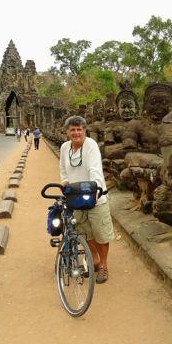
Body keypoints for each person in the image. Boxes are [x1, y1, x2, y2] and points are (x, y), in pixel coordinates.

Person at [59, 116, 114, 284]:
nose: (76, 133)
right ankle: (95, 260)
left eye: (79, 129)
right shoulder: (64, 147)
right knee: (85, 232)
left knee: (100, 233)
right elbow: (63, 170)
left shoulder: (90, 145)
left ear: (84, 131)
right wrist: (65, 184)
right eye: (72, 130)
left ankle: (103, 265)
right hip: (76, 198)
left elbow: (95, 169)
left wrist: (96, 189)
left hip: (95, 196)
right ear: (67, 132)